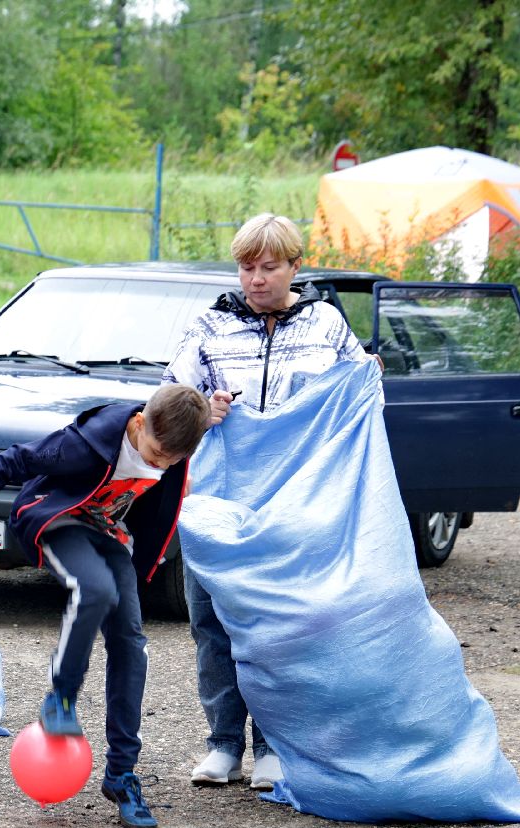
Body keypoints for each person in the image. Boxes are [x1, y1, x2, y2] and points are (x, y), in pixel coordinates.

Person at [0, 383, 212, 828]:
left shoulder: (172, 443)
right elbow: (13, 459)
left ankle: (121, 775)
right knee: (94, 590)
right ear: (138, 424)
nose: (159, 465)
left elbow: (191, 425)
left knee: (132, 644)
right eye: (155, 453)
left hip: (108, 531)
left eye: (170, 461)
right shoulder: (84, 446)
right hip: (58, 520)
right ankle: (60, 698)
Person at [162, 212, 375, 791]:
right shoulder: (208, 326)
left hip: (292, 505)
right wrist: (201, 406)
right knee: (213, 624)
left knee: (282, 627)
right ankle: (223, 745)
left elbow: (359, 391)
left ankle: (275, 748)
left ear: (294, 267)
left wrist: (370, 375)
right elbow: (166, 397)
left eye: (269, 267)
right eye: (246, 267)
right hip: (215, 502)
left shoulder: (326, 325)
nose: (256, 278)